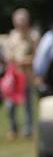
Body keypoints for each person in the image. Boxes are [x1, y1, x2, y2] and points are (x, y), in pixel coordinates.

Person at [2, 8, 39, 140]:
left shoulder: (33, 36)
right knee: (10, 105)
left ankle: (27, 130)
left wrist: (26, 62)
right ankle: (12, 129)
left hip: (27, 76)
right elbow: (8, 56)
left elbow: (36, 55)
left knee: (28, 104)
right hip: (14, 77)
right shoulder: (12, 36)